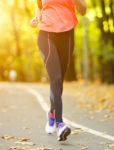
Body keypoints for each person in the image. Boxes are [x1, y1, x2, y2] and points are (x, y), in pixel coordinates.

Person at [30, 0, 86, 141]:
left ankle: (51, 113)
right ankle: (60, 124)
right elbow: (39, 7)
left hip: (67, 35)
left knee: (59, 81)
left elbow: (83, 11)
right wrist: (36, 18)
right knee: (55, 78)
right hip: (46, 35)